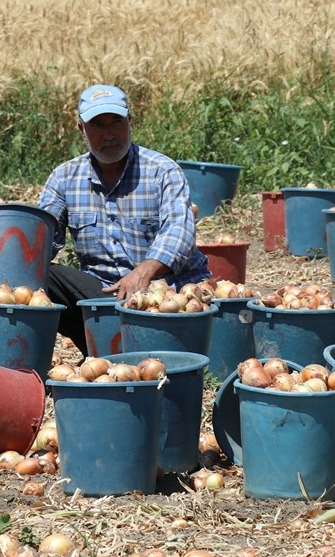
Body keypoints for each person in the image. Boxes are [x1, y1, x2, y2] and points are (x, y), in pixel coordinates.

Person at [38, 84, 210, 354]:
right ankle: (101, 351)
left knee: (169, 307)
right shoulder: (64, 177)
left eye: (116, 122)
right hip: (104, 296)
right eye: (97, 125)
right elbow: (41, 238)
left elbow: (179, 231)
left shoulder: (162, 171)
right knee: (40, 276)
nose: (109, 134)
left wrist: (143, 272)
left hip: (167, 295)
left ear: (130, 121)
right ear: (82, 129)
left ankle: (131, 353)